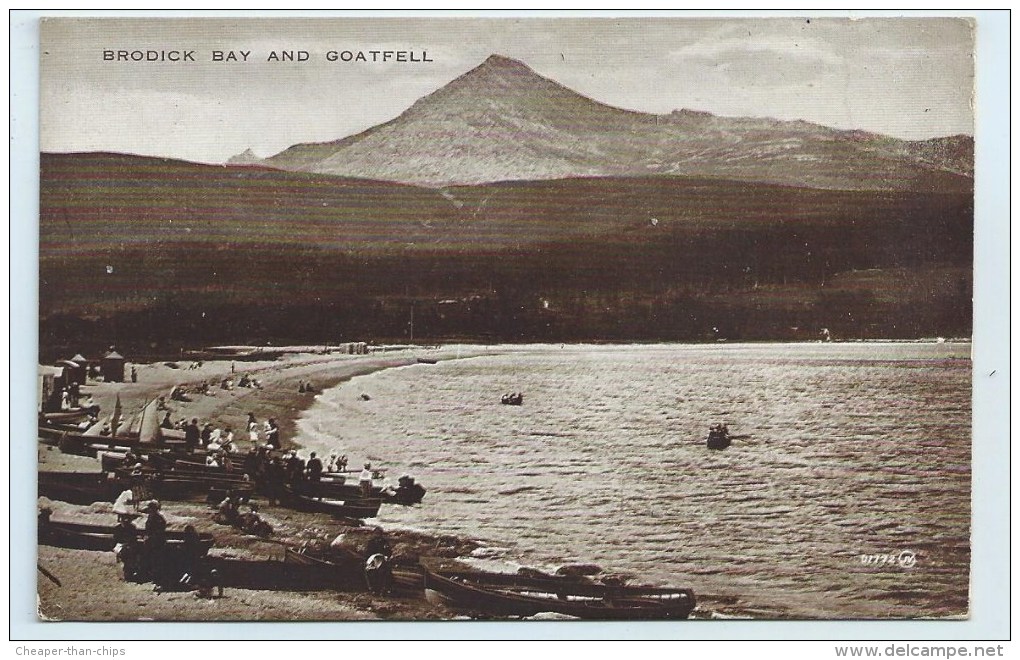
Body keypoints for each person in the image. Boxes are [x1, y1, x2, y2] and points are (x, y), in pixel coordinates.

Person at [143, 500, 167, 582]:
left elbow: (159, 532)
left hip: (157, 543)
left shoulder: (159, 519)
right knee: (150, 559)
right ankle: (150, 574)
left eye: (150, 508)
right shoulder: (150, 517)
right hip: (151, 542)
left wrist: (150, 537)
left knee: (157, 559)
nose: (149, 510)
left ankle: (157, 576)